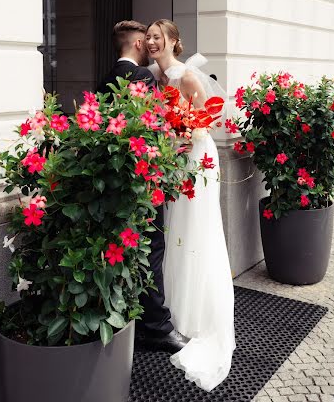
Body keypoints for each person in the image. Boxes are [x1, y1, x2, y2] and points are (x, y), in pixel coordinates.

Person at [146, 19, 236, 392]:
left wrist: (187, 130)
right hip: (173, 160)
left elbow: (211, 118)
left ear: (173, 41)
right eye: (148, 36)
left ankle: (195, 316)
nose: (151, 41)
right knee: (175, 231)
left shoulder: (185, 76)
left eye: (157, 36)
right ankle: (173, 312)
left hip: (195, 160)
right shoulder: (153, 76)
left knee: (195, 229)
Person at [97, 20, 188, 353]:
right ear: (137, 44)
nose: (150, 44)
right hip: (144, 180)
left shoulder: (105, 79)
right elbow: (155, 128)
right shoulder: (142, 77)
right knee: (153, 250)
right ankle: (157, 327)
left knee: (127, 252)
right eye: (146, 39)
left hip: (116, 183)